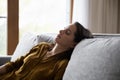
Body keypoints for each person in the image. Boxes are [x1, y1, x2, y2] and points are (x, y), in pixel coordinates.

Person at [0, 22, 93, 80]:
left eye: (67, 33)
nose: (61, 31)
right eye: (64, 29)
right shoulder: (42, 47)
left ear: (74, 44)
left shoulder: (61, 64)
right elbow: (16, 64)